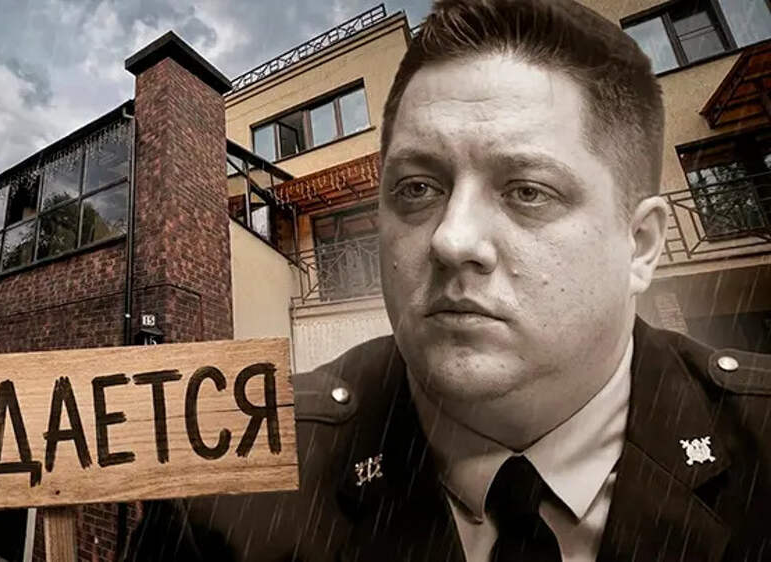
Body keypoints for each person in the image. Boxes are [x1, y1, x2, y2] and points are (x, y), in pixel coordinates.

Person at [125, 0, 771, 560]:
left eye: (527, 191)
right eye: (417, 188)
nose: (451, 239)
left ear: (640, 245)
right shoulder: (229, 488)